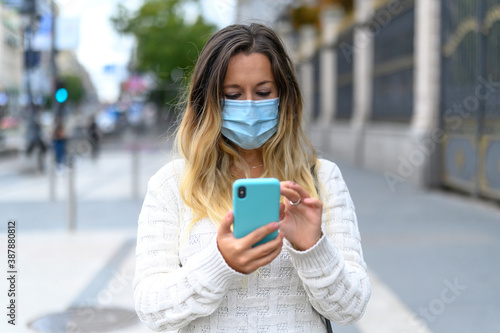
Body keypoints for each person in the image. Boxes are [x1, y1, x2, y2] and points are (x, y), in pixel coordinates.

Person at [134, 23, 371, 332]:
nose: (249, 106)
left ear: (284, 97)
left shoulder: (322, 179)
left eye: (262, 92)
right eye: (233, 94)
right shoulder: (172, 184)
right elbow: (151, 309)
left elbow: (351, 308)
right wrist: (220, 264)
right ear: (209, 101)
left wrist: (313, 248)